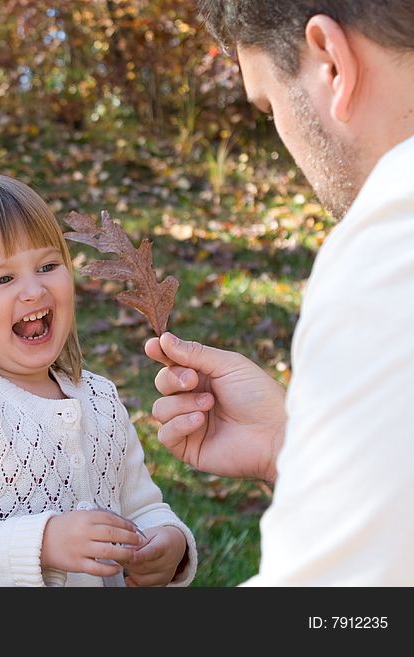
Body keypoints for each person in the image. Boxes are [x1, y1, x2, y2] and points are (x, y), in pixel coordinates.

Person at [145, 0, 414, 585]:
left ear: (331, 61)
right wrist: (294, 446)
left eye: (270, 106)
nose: (284, 138)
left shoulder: (392, 246)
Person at [0, 171, 197, 587]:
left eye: (48, 265)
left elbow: (141, 506)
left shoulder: (99, 397)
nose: (34, 290)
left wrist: (168, 542)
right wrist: (44, 542)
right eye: (2, 279)